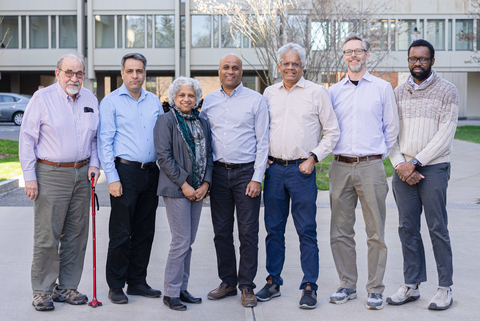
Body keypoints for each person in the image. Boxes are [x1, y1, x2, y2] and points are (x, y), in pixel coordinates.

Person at [257, 43, 340, 309]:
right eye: (286, 63)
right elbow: (259, 130)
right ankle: (273, 281)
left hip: (302, 171)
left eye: (296, 63)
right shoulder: (268, 93)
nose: (290, 67)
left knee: (306, 230)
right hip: (274, 171)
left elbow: (332, 132)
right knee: (273, 230)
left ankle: (309, 285)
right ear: (279, 66)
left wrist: (314, 157)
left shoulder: (316, 93)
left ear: (303, 66)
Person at [19, 53, 100, 311]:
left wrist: (95, 164)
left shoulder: (90, 99)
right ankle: (42, 291)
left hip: (82, 173)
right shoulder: (42, 99)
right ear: (58, 73)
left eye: (79, 73)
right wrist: (29, 177)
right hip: (50, 173)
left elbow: (95, 138)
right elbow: (27, 139)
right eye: (69, 72)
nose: (74, 78)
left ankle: (66, 287)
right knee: (48, 235)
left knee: (77, 234)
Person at [327, 34, 399, 310]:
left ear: (367, 55)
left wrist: (376, 157)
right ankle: (347, 285)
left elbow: (391, 128)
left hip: (371, 166)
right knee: (340, 230)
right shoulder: (333, 92)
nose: (353, 56)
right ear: (344, 56)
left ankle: (375, 289)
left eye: (359, 51)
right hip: (340, 166)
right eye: (348, 52)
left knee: (376, 231)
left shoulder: (382, 88)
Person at [386, 39, 458, 311]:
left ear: (432, 61)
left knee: (437, 227)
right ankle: (411, 284)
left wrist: (415, 162)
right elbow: (389, 133)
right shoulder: (397, 93)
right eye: (413, 58)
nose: (417, 63)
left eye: (423, 59)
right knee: (407, 228)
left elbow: (446, 133)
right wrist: (400, 164)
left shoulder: (447, 91)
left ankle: (444, 287)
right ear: (408, 60)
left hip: (434, 167)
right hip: (402, 168)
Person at [200, 53, 269, 308]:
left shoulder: (256, 100)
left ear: (242, 72)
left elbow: (264, 143)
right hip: (218, 174)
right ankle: (228, 281)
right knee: (221, 232)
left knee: (248, 232)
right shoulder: (209, 102)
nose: (231, 71)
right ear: (219, 71)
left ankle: (247, 285)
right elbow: (204, 142)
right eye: (226, 67)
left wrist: (256, 178)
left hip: (245, 174)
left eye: (236, 68)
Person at [98, 53, 163, 304]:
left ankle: (137, 281)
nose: (135, 75)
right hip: (124, 173)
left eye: (140, 71)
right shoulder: (111, 102)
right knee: (121, 232)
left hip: (152, 172)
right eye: (130, 71)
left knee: (145, 231)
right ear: (122, 73)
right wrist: (112, 178)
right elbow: (105, 142)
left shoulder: (154, 100)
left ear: (145, 73)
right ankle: (115, 285)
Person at [154, 77, 213, 311]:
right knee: (180, 241)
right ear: (174, 98)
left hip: (199, 189)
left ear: (196, 98)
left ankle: (181, 288)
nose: (186, 99)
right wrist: (185, 185)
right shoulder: (165, 121)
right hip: (177, 190)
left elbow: (209, 154)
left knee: (188, 242)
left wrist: (206, 183)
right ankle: (170, 292)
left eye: (191, 95)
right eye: (182, 95)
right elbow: (164, 158)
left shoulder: (202, 121)